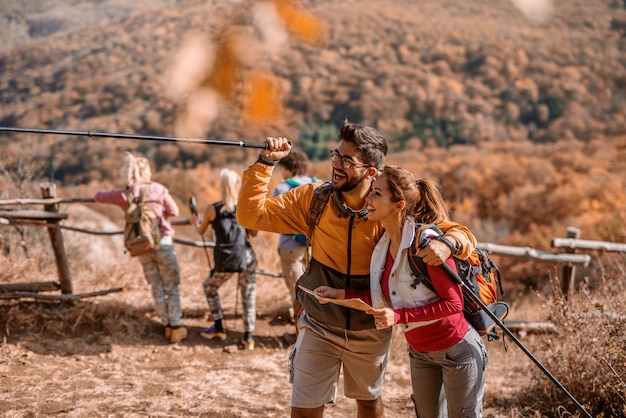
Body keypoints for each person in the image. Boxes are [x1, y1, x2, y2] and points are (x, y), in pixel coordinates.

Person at [236, 119, 476, 418]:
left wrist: (449, 244)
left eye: (347, 159)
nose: (336, 163)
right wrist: (264, 164)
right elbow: (250, 216)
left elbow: (458, 232)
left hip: (371, 328)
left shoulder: (389, 205)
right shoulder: (313, 200)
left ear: (370, 171)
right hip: (318, 321)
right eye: (335, 155)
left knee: (369, 406)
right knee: (304, 409)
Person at [315, 165, 486, 417]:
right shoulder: (383, 246)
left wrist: (398, 318)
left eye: (377, 194)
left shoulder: (425, 244)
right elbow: (391, 300)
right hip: (420, 354)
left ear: (398, 205)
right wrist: (342, 295)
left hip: (458, 350)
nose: (368, 199)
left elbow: (454, 304)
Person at [94, 151, 187, 344]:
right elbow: (174, 211)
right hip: (163, 242)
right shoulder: (158, 189)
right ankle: (176, 327)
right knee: (171, 285)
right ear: (146, 172)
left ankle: (166, 325)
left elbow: (98, 196)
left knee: (156, 286)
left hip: (141, 246)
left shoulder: (124, 193)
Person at [190, 168, 258, 351]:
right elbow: (254, 233)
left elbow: (200, 231)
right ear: (237, 187)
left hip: (226, 261)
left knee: (209, 287)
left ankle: (219, 328)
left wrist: (194, 221)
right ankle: (248, 337)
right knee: (248, 295)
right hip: (247, 258)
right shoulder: (244, 209)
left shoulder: (212, 209)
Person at [272, 148, 317, 326]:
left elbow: (275, 218)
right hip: (315, 245)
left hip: (289, 246)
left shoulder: (282, 188)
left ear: (286, 167)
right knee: (314, 290)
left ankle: (299, 332)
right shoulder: (318, 184)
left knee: (297, 292)